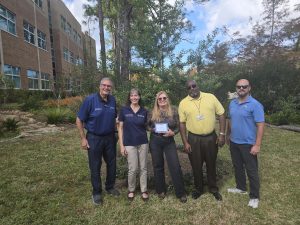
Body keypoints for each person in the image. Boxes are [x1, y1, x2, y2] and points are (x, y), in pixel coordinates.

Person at [178, 80, 225, 201]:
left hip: (211, 137)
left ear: (198, 86)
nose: (192, 88)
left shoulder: (211, 97)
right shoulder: (183, 103)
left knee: (211, 163)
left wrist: (221, 134)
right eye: (189, 87)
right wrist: (185, 142)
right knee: (196, 165)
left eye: (194, 86)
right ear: (187, 90)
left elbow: (221, 114)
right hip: (194, 139)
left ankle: (213, 188)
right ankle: (198, 189)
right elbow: (182, 123)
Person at [76, 77, 120, 205]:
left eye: (109, 86)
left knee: (112, 163)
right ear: (99, 86)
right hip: (94, 138)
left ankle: (110, 187)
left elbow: (114, 117)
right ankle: (97, 192)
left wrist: (117, 132)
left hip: (110, 137)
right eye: (104, 85)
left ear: (111, 88)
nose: (106, 88)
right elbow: (79, 120)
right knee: (95, 165)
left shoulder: (112, 100)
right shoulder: (90, 100)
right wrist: (83, 138)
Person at [226, 79, 265, 209]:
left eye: (244, 86)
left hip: (248, 143)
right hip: (234, 142)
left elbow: (260, 125)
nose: (241, 88)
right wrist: (227, 135)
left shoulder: (255, 105)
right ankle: (241, 187)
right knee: (237, 167)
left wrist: (257, 144)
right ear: (236, 88)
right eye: (239, 86)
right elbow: (230, 120)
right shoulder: (232, 103)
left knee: (251, 170)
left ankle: (254, 196)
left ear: (249, 88)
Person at [148, 91, 187, 203]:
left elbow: (179, 126)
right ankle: (161, 191)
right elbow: (146, 125)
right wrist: (153, 129)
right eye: (159, 99)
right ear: (157, 100)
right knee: (158, 166)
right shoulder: (152, 112)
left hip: (169, 141)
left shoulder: (174, 110)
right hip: (155, 141)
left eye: (164, 98)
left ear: (167, 99)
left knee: (175, 166)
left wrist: (173, 133)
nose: (162, 100)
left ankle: (181, 193)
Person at [118, 88, 149, 201]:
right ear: (129, 97)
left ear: (139, 97)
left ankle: (144, 190)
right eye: (132, 95)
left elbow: (149, 126)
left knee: (143, 167)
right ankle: (131, 190)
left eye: (136, 95)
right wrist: (121, 145)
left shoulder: (144, 111)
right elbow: (120, 128)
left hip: (143, 143)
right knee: (133, 168)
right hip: (129, 143)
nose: (134, 97)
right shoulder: (124, 110)